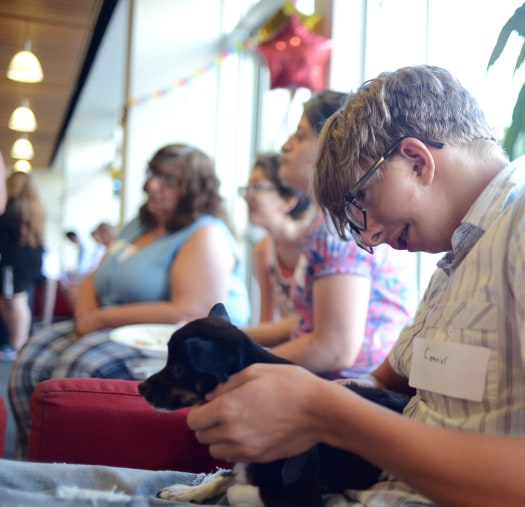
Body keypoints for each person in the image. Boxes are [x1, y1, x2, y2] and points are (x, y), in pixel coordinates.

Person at [185, 66, 525, 506]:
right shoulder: (461, 261)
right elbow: (380, 385)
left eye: (362, 205)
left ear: (417, 160)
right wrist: (282, 400)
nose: (372, 237)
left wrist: (324, 411)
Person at [8, 143, 251, 459]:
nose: (152, 185)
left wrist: (100, 320)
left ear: (193, 189)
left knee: (76, 369)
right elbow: (95, 276)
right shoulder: (140, 225)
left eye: (168, 180)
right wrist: (87, 314)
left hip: (163, 337)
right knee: (30, 359)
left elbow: (187, 309)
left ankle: (73, 473)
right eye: (152, 175)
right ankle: (36, 462)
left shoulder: (205, 233)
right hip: (112, 323)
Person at [237, 91, 419, 380]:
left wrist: (240, 363)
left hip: (354, 388)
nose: (285, 146)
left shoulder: (337, 227)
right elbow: (308, 324)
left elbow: (334, 349)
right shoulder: (327, 223)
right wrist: (236, 339)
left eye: (300, 136)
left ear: (332, 143)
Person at [241, 153, 313, 323]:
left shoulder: (316, 244)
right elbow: (267, 320)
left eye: (256, 187)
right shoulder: (262, 250)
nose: (246, 196)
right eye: (247, 188)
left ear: (288, 200)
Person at [0, 170, 47, 359]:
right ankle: (18, 342)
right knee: (15, 300)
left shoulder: (11, 206)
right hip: (32, 258)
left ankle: (17, 344)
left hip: (14, 260)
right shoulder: (34, 207)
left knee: (15, 302)